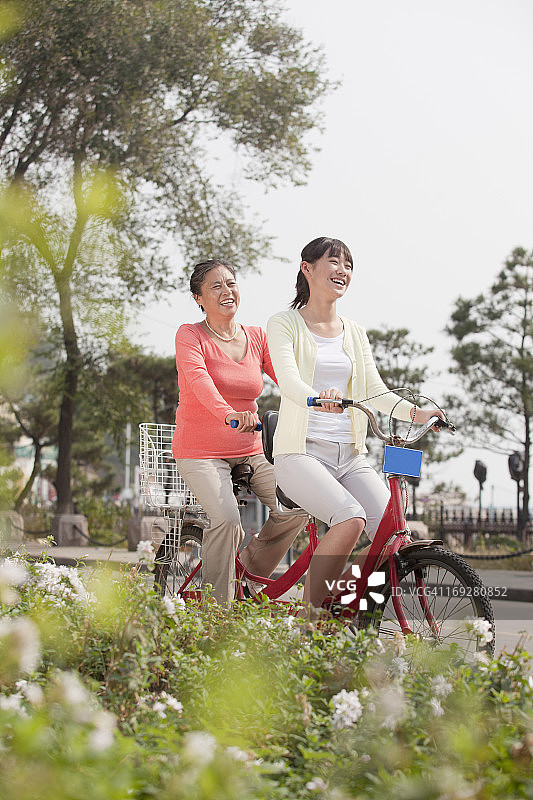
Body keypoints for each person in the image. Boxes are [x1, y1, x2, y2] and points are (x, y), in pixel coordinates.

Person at [266, 237, 445, 613]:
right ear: (307, 268)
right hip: (299, 453)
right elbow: (290, 381)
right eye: (334, 262)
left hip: (350, 457)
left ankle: (347, 604)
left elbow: (374, 392)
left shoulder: (355, 332)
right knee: (350, 517)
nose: (342, 271)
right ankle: (309, 619)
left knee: (392, 534)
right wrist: (317, 398)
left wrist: (420, 414)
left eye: (348, 265)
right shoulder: (285, 323)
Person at [171, 259, 304, 604]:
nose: (226, 291)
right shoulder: (190, 335)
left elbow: (289, 380)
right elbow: (199, 381)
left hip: (251, 448)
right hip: (200, 452)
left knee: (296, 507)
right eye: (216, 286)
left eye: (231, 283)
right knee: (228, 520)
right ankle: (216, 611)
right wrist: (228, 413)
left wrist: (318, 401)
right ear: (199, 298)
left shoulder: (256, 337)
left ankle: (244, 577)